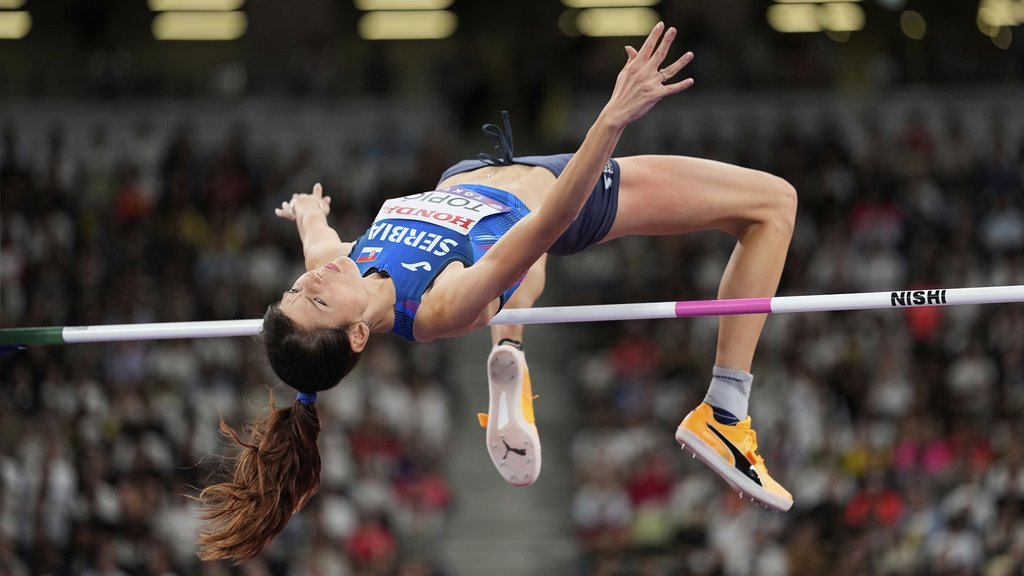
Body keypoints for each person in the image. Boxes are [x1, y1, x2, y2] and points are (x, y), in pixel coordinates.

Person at [196, 22, 797, 564]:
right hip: (558, 195)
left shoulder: (341, 266)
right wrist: (611, 118)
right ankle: (724, 410)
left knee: (512, 276)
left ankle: (512, 357)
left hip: (482, 175)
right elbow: (544, 227)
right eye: (318, 298)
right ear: (356, 335)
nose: (318, 280)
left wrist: (308, 210)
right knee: (773, 204)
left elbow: (317, 242)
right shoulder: (435, 307)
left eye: (301, 286)